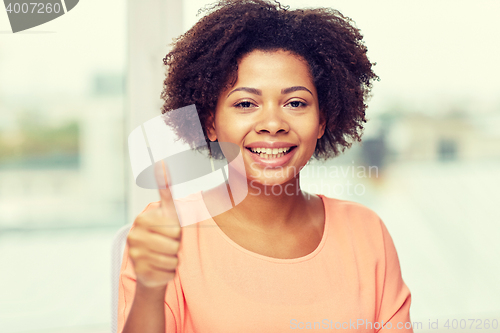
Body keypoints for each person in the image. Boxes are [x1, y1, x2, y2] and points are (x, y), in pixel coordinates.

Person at [118, 0, 413, 332]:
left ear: (322, 121)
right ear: (210, 122)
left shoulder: (366, 232)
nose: (272, 123)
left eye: (295, 103)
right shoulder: (169, 232)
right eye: (246, 103)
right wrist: (150, 289)